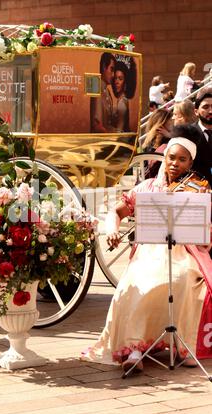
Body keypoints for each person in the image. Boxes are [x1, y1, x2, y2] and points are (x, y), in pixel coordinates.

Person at [81, 124, 212, 373]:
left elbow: (208, 230)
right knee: (140, 283)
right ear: (165, 157)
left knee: (187, 280)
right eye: (171, 157)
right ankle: (135, 349)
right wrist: (112, 230)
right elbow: (117, 211)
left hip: (186, 253)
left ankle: (183, 347)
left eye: (182, 160)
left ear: (190, 163)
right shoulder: (147, 187)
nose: (175, 164)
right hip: (149, 252)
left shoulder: (200, 189)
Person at [90, 52, 116, 133]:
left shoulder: (107, 90)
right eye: (111, 69)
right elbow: (97, 125)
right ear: (104, 66)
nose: (113, 75)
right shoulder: (95, 85)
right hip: (99, 141)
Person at [192, 86, 212, 188]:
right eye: (205, 107)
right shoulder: (188, 134)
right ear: (196, 111)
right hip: (196, 191)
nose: (210, 111)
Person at [111, 61, 130, 132]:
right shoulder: (120, 99)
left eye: (120, 79)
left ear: (125, 82)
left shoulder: (122, 102)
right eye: (115, 78)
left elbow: (119, 130)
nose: (117, 82)